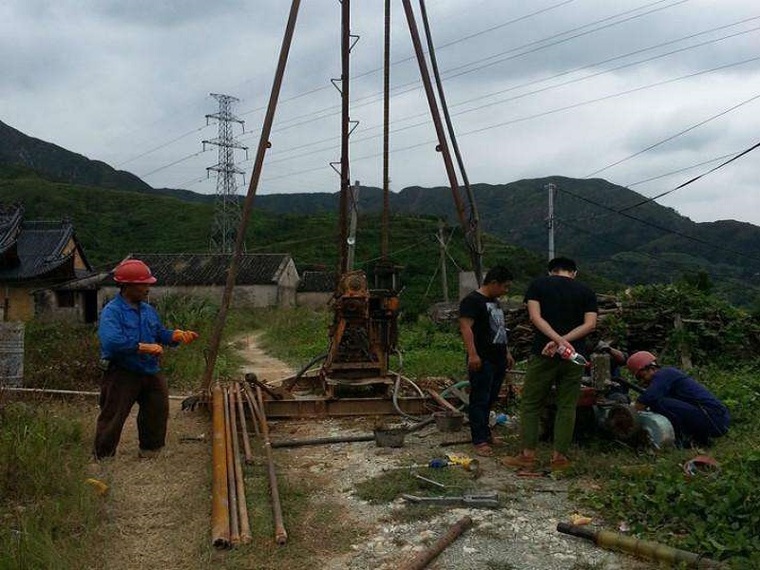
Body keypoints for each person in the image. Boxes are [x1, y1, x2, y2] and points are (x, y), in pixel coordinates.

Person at [93, 259, 199, 460]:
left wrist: (174, 335)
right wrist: (142, 347)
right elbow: (111, 342)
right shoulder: (112, 312)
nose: (148, 288)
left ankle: (151, 450)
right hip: (122, 371)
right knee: (114, 414)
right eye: (143, 284)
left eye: (148, 283)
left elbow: (158, 332)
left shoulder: (148, 310)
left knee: (157, 409)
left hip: (150, 369)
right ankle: (103, 456)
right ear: (127, 286)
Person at [503, 257, 597, 471]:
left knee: (531, 403)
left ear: (550, 272)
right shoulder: (586, 291)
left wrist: (556, 341)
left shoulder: (538, 285)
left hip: (543, 352)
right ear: (574, 272)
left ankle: (527, 456)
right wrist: (566, 343)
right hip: (574, 356)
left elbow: (536, 319)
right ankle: (560, 458)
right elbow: (590, 325)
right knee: (567, 406)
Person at [459, 265, 515, 457]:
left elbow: (500, 328)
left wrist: (506, 352)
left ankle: (487, 433)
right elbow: (466, 328)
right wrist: (473, 354)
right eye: (504, 286)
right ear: (493, 283)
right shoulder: (472, 301)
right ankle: (479, 439)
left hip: (498, 356)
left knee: (491, 398)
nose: (505, 291)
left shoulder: (495, 302)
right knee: (479, 398)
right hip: (482, 357)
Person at [627, 351, 730, 447]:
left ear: (650, 368)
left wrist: (631, 410)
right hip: (716, 418)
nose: (642, 381)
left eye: (641, 376)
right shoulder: (666, 378)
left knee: (659, 403)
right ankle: (698, 440)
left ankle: (681, 439)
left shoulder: (665, 374)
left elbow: (648, 398)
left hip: (713, 418)